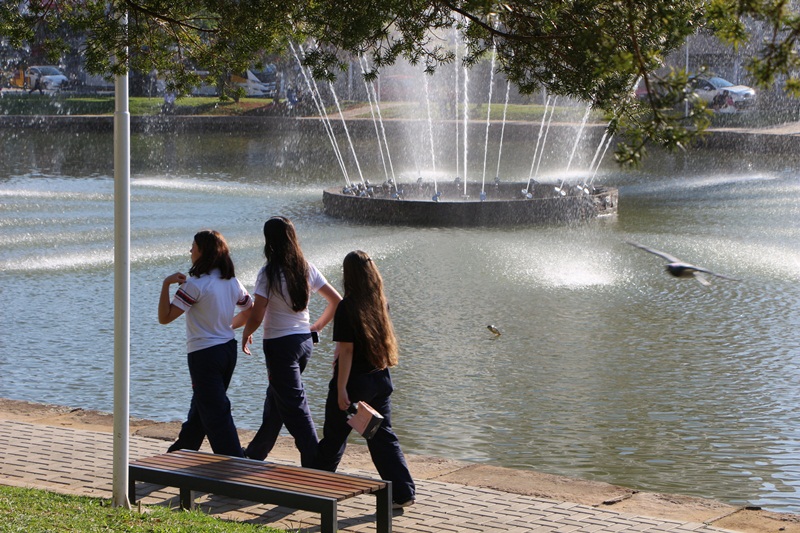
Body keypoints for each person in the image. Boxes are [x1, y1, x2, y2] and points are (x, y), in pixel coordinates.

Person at [315, 250, 416, 509]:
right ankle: (403, 492)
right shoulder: (380, 301)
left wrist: (340, 389)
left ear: (349, 275)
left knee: (335, 437)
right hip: (380, 379)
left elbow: (347, 351)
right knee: (382, 437)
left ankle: (314, 486)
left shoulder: (348, 306)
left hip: (355, 384)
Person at [241, 216, 342, 466]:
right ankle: (255, 454)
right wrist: (315, 327)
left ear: (269, 241)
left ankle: (315, 463)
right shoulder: (306, 267)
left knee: (295, 405)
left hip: (280, 347)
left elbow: (257, 312)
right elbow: (337, 301)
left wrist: (245, 333)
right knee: (277, 400)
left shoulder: (268, 273)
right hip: (303, 343)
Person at [158, 229, 253, 457]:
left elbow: (165, 318)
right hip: (227, 352)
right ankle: (179, 454)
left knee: (216, 413)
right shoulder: (231, 281)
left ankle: (235, 463)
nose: (190, 251)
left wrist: (166, 284)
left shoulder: (195, 284)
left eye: (194, 247)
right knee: (203, 408)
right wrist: (229, 327)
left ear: (203, 252)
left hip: (204, 355)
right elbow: (249, 309)